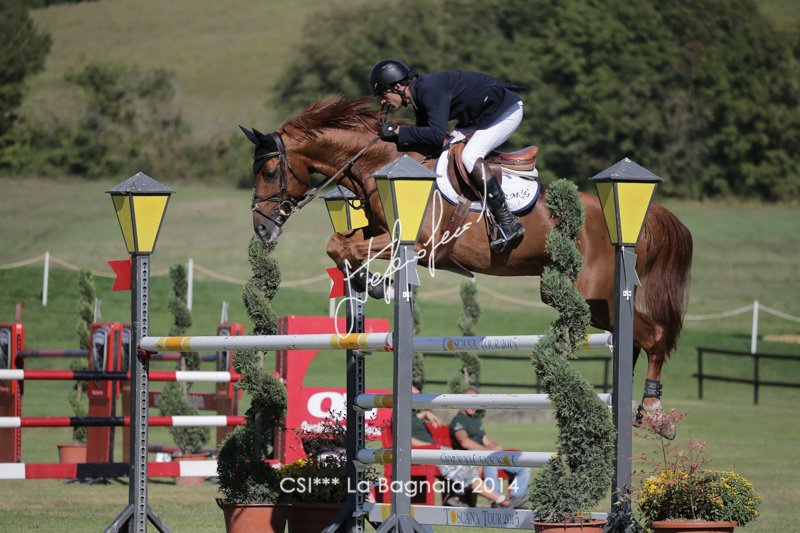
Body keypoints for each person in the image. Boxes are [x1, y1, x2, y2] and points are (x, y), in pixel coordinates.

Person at [369, 58, 526, 253]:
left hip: (504, 110)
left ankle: (508, 220)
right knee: (447, 151)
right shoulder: (419, 96)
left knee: (470, 156)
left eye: (382, 93)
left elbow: (435, 135)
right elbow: (430, 142)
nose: (382, 101)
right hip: (479, 116)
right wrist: (395, 138)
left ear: (398, 86)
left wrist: (399, 131)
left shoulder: (428, 90)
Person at [411, 383, 511, 508]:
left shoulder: (411, 414)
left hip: (435, 451)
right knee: (468, 469)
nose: (417, 398)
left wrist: (425, 413)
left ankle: (457, 496)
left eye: (418, 395)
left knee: (472, 465)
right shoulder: (401, 413)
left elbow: (412, 422)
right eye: (413, 395)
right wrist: (431, 447)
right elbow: (404, 438)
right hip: (427, 453)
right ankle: (501, 500)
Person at [449, 387, 530, 508]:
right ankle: (497, 501)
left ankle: (516, 500)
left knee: (522, 466)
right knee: (489, 461)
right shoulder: (458, 420)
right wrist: (487, 452)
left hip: (486, 457)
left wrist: (496, 447)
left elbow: (487, 442)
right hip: (471, 460)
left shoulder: (476, 422)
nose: (473, 405)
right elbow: (465, 442)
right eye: (470, 401)